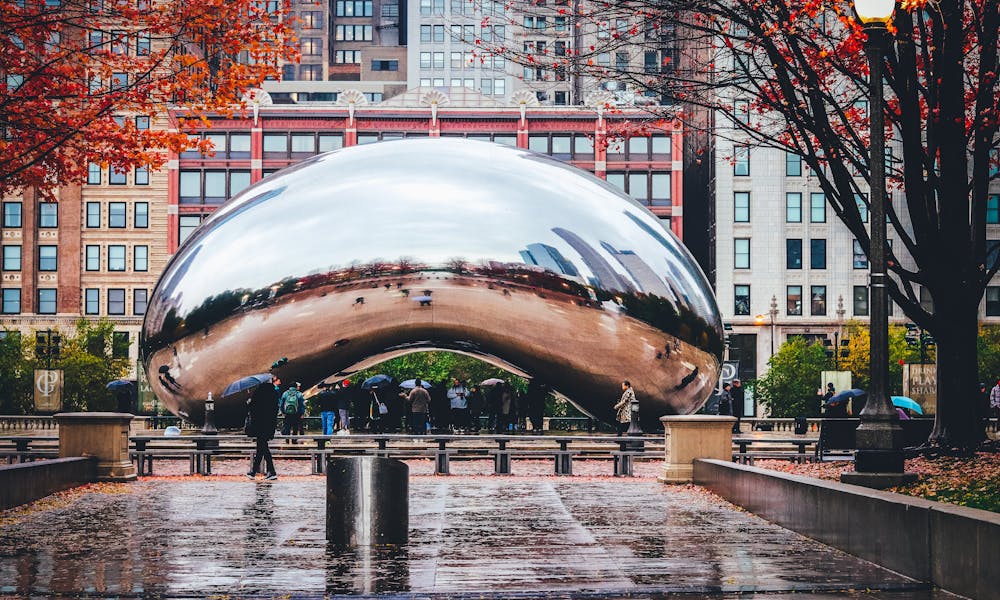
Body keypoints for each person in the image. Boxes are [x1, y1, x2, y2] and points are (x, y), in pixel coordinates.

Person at [246, 376, 281, 480]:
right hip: (269, 424)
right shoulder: (274, 393)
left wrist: (249, 402)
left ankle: (270, 472)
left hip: (259, 424)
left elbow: (254, 409)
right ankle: (254, 472)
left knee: (262, 447)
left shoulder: (258, 392)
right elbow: (275, 409)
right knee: (261, 447)